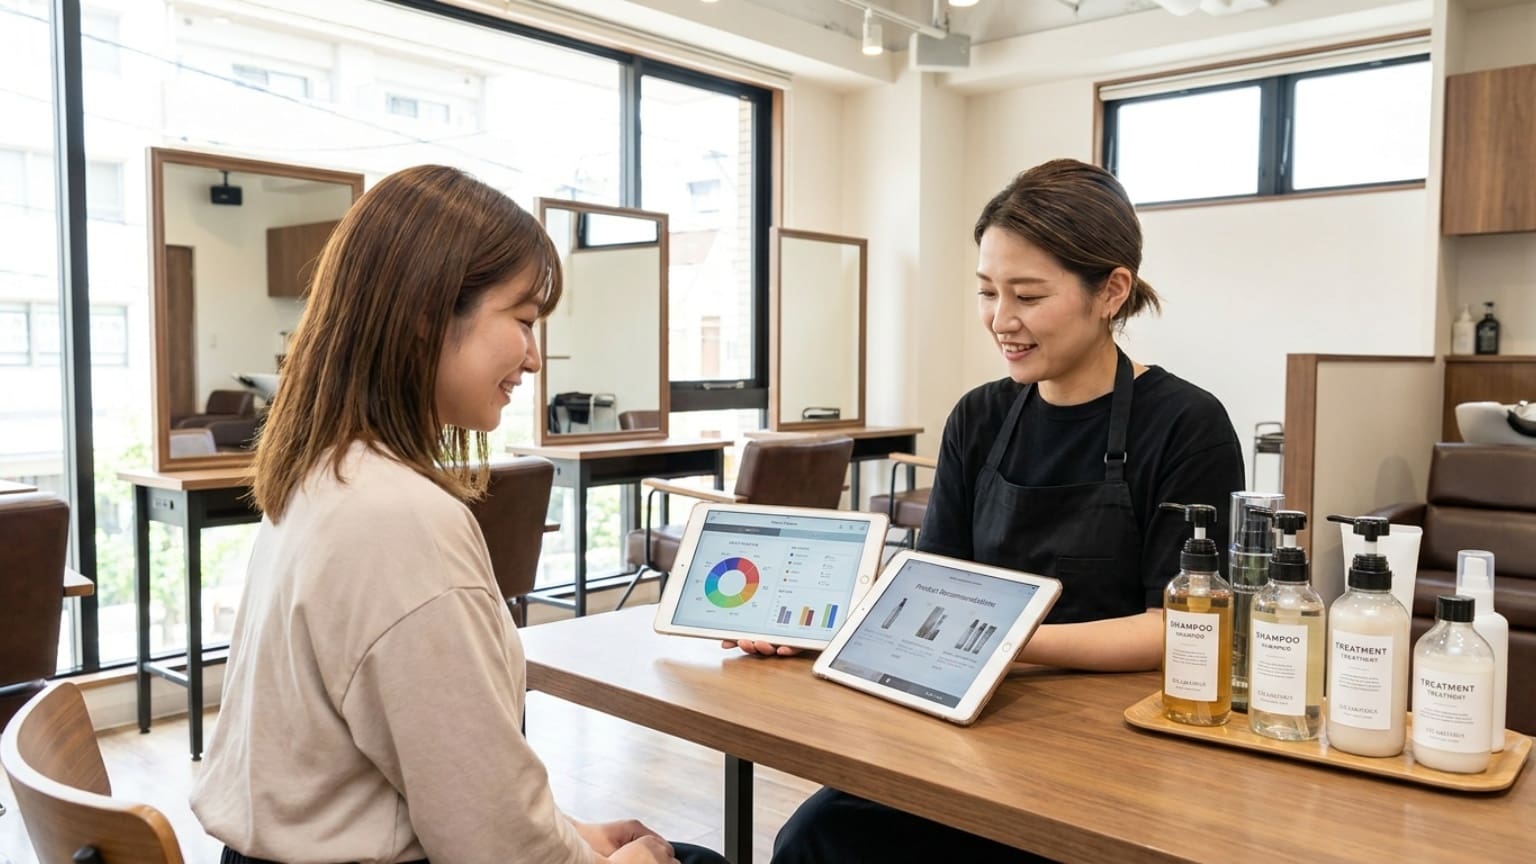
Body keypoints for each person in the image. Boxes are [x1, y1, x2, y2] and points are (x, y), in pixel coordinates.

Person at [191, 165, 726, 864]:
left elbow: (456, 785)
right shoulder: (398, 522)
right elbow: (493, 847)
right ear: (427, 313)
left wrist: (569, 837)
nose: (534, 358)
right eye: (524, 321)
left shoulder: (323, 477)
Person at [744, 159, 1245, 862]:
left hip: (1114, 739)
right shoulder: (980, 416)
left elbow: (1180, 629)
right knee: (813, 841)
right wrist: (820, 624)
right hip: (969, 713)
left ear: (1112, 290)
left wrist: (1006, 644)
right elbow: (931, 578)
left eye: (1028, 296)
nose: (1001, 321)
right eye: (987, 292)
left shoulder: (1186, 424)